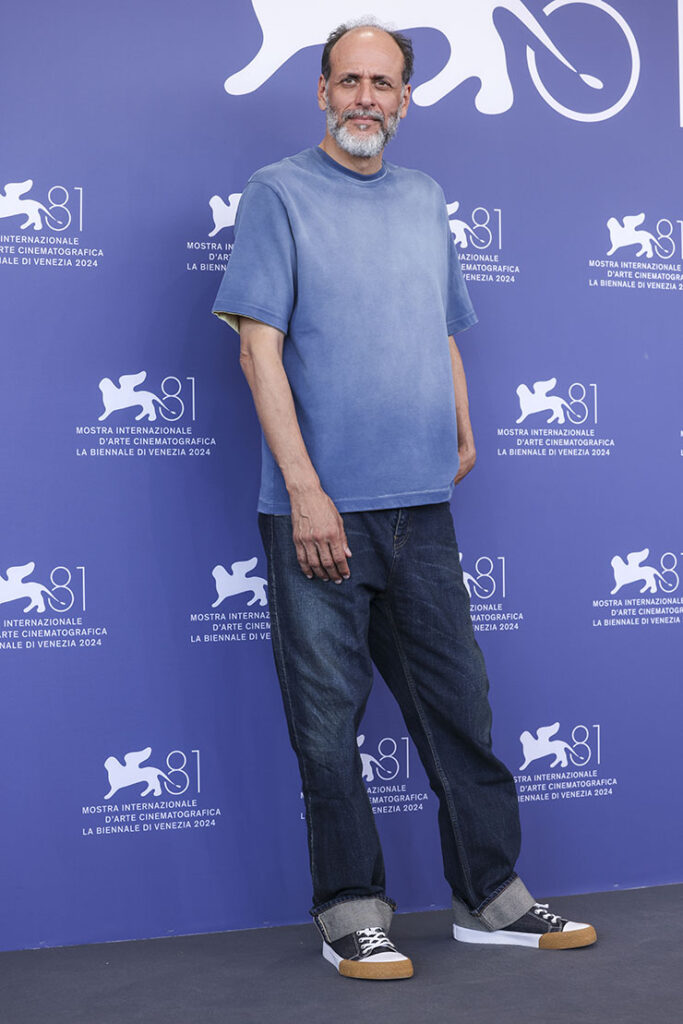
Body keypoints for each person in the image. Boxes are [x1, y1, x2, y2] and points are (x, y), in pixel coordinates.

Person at [212, 19, 596, 981]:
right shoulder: (278, 192)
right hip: (319, 511)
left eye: (383, 84)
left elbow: (442, 325)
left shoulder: (424, 196)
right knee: (327, 726)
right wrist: (305, 492)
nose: (365, 100)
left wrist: (461, 424)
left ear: (407, 99)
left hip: (420, 508)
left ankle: (490, 898)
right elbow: (256, 347)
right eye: (349, 81)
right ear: (321, 91)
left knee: (458, 708)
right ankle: (351, 912)